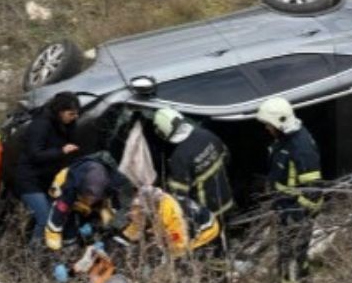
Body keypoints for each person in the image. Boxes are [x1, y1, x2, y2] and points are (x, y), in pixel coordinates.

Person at [258, 97, 322, 283]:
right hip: (285, 205)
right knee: (288, 250)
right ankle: (300, 279)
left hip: (295, 209)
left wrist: (299, 215)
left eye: (269, 125)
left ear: (280, 122)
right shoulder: (284, 140)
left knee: (292, 250)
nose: (267, 129)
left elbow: (313, 188)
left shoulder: (301, 148)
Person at [153, 107, 234, 236]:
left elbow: (179, 195)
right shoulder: (206, 134)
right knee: (227, 232)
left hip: (208, 213)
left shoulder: (179, 157)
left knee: (215, 239)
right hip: (227, 198)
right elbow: (227, 157)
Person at [15, 92, 80, 245]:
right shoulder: (41, 125)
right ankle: (32, 256)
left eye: (76, 114)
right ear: (60, 111)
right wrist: (61, 151)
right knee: (44, 220)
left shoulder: (65, 126)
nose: (74, 117)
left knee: (54, 216)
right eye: (71, 114)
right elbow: (34, 154)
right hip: (29, 180)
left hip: (47, 180)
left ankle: (39, 246)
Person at [44, 153, 135, 253]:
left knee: (104, 219)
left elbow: (123, 206)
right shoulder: (69, 186)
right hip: (66, 190)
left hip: (94, 200)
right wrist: (54, 246)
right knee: (67, 218)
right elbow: (58, 215)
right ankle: (70, 243)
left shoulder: (115, 182)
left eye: (94, 197)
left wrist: (112, 228)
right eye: (90, 196)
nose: (92, 199)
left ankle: (87, 241)